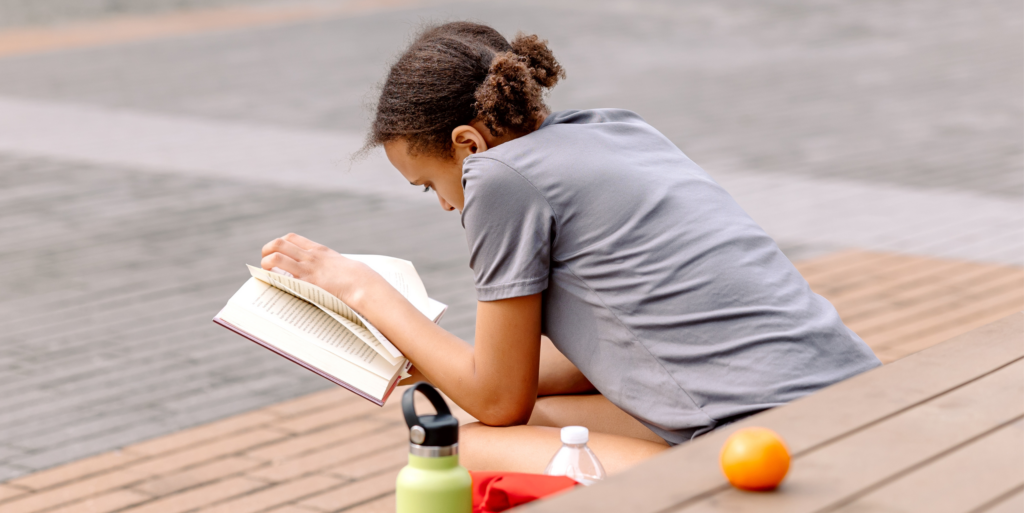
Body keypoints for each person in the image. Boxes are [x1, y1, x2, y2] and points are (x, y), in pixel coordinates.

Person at [259, 21, 881, 474]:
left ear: (468, 145)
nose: (447, 205)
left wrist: (361, 289)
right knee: (542, 421)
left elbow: (500, 402)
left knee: (465, 446)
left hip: (764, 437)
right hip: (856, 394)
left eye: (429, 185)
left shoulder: (499, 179)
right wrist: (431, 362)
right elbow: (616, 350)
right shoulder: (617, 129)